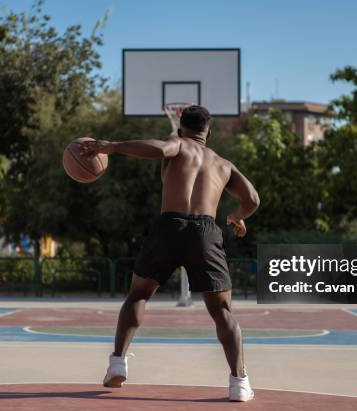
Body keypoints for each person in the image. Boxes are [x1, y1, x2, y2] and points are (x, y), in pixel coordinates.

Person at [80, 105, 260, 402]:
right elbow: (252, 198)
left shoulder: (178, 144)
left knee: (138, 295)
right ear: (209, 132)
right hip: (205, 232)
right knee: (222, 311)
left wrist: (111, 147)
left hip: (169, 227)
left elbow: (160, 149)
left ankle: (117, 363)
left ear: (180, 128)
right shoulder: (224, 164)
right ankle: (239, 383)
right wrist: (238, 216)